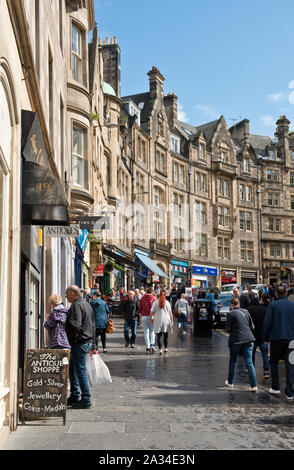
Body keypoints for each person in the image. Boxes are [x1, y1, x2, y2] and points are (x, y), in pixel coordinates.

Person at [65, 285, 96, 409]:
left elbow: (75, 325)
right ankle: (75, 395)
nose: (66, 296)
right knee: (72, 369)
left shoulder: (77, 305)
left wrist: (73, 339)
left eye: (67, 293)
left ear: (73, 293)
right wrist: (93, 344)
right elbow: (93, 325)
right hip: (84, 341)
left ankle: (86, 398)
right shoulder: (86, 304)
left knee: (80, 371)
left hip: (80, 342)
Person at [263, 286, 294, 399]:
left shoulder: (273, 305)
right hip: (291, 339)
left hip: (276, 339)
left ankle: (276, 387)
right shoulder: (292, 305)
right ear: (286, 293)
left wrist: (265, 338)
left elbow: (267, 323)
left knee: (274, 362)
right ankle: (290, 392)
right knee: (290, 364)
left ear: (276, 294)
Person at [225, 297, 258, 392]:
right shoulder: (246, 312)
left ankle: (230, 382)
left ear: (231, 305)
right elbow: (252, 326)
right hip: (249, 339)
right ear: (239, 304)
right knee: (249, 363)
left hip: (236, 340)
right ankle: (254, 385)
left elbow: (227, 329)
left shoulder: (230, 313)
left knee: (233, 361)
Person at [248, 293, 270, 378]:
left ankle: (252, 368)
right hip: (263, 335)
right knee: (264, 354)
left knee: (252, 352)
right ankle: (266, 371)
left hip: (253, 335)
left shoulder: (250, 310)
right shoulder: (264, 309)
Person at [139, 287, 157, 354]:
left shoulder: (142, 298)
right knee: (152, 331)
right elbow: (155, 309)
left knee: (146, 332)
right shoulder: (154, 299)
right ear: (152, 292)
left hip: (144, 316)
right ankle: (152, 344)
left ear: (146, 291)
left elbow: (140, 309)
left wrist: (140, 318)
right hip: (152, 316)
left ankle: (147, 348)